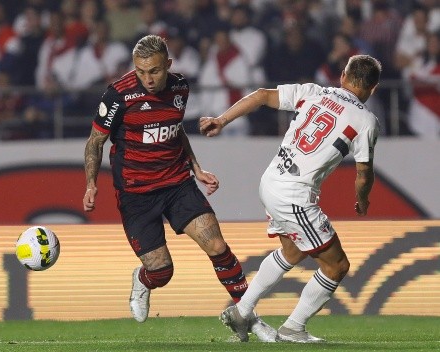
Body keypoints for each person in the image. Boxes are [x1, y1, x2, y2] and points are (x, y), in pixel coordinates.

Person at [82, 34, 275, 342]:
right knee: (162, 272)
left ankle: (248, 317)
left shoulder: (180, 88)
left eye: (155, 71)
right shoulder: (118, 95)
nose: (148, 79)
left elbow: (175, 132)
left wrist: (196, 168)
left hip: (176, 183)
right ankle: (144, 280)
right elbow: (95, 142)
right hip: (136, 193)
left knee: (217, 246)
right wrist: (91, 183)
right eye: (141, 71)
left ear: (168, 65)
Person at [200, 54, 382, 343]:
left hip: (271, 180)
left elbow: (261, 95)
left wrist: (221, 120)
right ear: (373, 89)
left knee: (293, 252)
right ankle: (293, 327)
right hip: (294, 195)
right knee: (337, 266)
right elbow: (363, 174)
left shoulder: (314, 91)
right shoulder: (366, 120)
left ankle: (242, 310)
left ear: (343, 77)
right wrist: (363, 199)